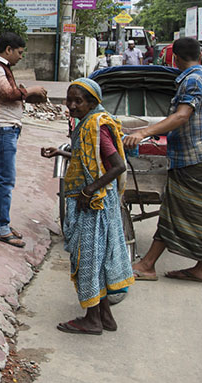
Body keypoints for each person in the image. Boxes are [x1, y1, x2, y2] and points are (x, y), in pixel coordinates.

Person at [125, 37, 202, 283]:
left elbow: (182, 116)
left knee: (172, 211)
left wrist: (142, 132)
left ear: (175, 57)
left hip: (192, 160)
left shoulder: (191, 80)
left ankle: (147, 265)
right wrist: (200, 125)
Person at [41, 79, 133, 334]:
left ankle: (92, 319)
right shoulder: (89, 123)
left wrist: (88, 189)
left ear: (92, 102)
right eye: (69, 100)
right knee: (96, 259)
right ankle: (104, 315)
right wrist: (60, 153)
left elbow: (117, 165)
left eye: (77, 101)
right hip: (96, 201)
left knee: (88, 259)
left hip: (95, 204)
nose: (71, 106)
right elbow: (88, 157)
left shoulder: (96, 125)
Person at [0, 32, 48, 247]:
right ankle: (1, 227)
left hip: (6, 129)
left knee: (3, 178)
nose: (21, 57)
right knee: (5, 179)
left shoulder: (1, 67)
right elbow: (7, 94)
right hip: (1, 129)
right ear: (8, 49)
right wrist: (30, 90)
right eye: (19, 52)